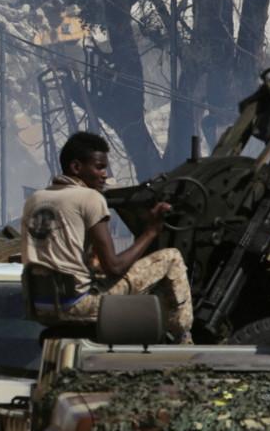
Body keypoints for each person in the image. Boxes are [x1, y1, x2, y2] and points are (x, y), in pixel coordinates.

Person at [21, 131, 193, 343]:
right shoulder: (90, 198)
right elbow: (114, 267)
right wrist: (151, 231)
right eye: (99, 167)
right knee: (172, 258)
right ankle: (183, 338)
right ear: (76, 167)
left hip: (43, 306)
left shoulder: (35, 200)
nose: (104, 175)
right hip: (80, 304)